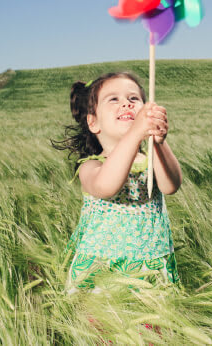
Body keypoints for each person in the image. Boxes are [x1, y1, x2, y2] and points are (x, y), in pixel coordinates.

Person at [52, 71, 183, 294]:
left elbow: (171, 186)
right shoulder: (91, 166)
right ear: (93, 123)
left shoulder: (151, 160)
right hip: (103, 267)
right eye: (114, 99)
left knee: (153, 325)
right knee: (99, 325)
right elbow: (106, 187)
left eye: (134, 99)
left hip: (150, 262)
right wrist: (135, 133)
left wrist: (159, 143)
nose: (126, 104)